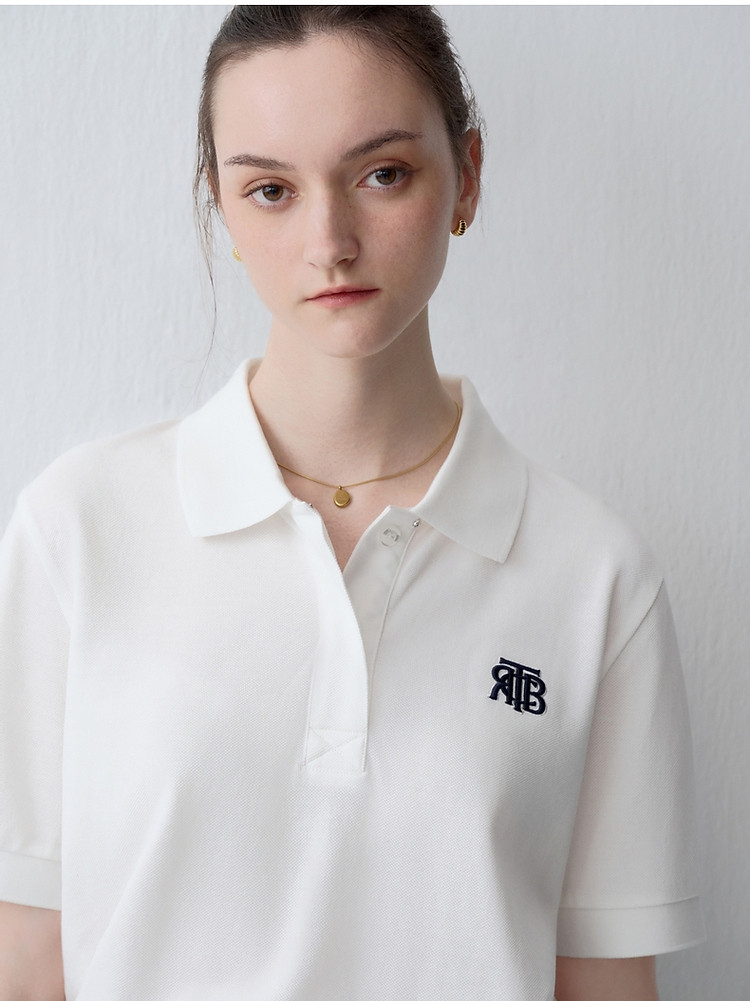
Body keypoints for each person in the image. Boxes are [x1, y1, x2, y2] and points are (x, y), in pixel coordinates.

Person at [0, 6, 703, 1000]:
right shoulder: (77, 530)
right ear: (222, 207)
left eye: (383, 174)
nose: (329, 241)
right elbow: (27, 964)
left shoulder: (597, 579)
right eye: (271, 190)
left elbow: (606, 982)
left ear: (467, 176)